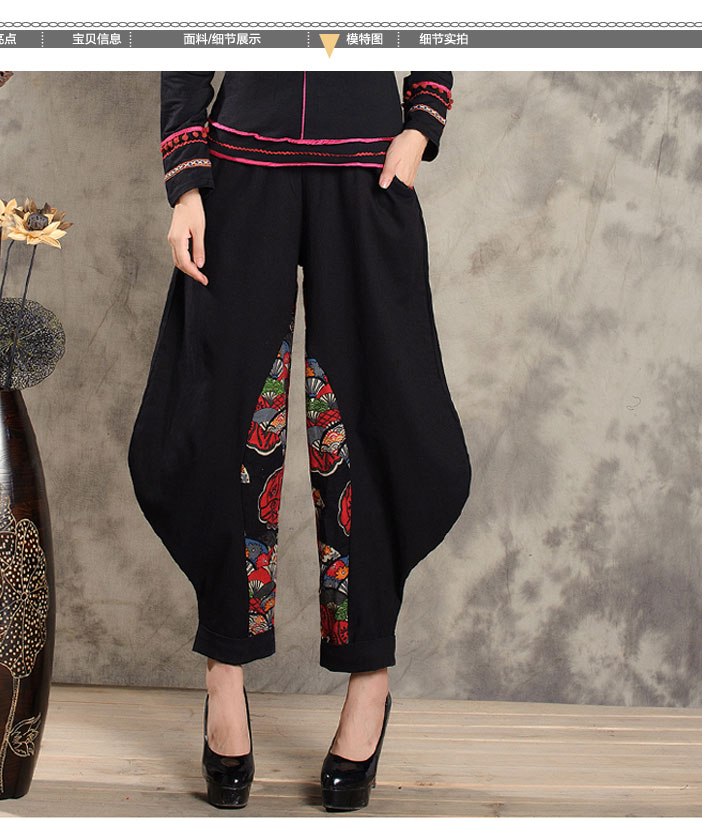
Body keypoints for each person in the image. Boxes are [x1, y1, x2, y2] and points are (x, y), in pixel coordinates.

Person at [127, 71, 472, 811]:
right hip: (240, 166)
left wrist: (420, 125)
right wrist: (186, 185)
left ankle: (369, 678)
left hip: (368, 167)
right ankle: (224, 672)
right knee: (224, 419)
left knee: (370, 420)